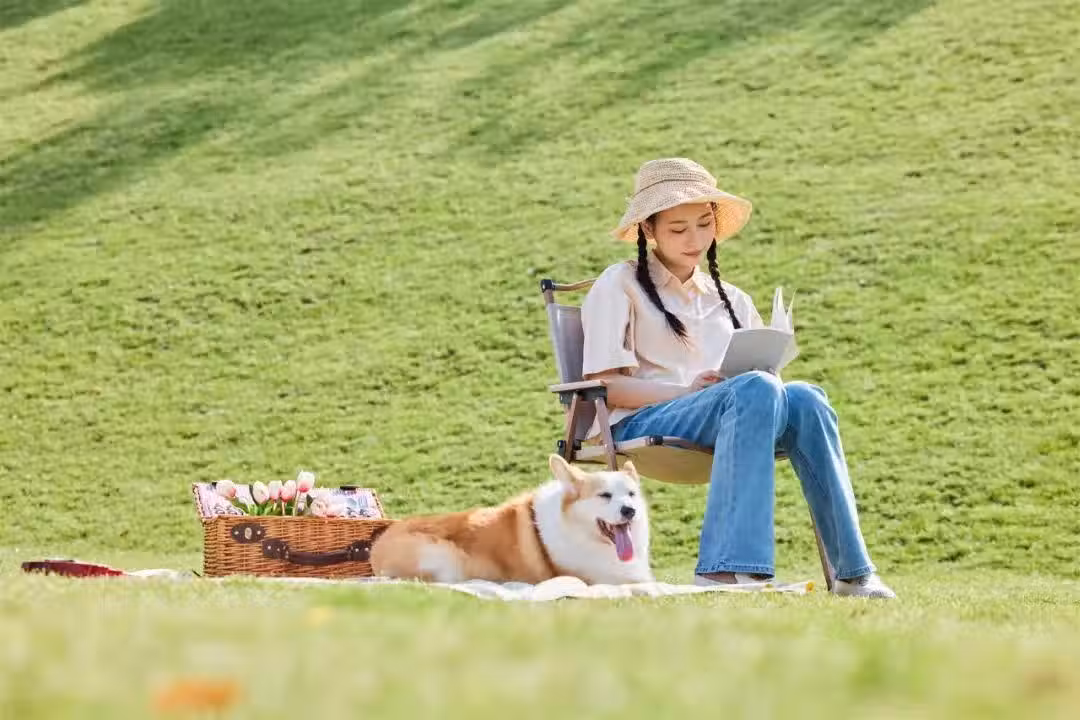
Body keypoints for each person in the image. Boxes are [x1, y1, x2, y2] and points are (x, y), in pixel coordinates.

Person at [579, 157, 895, 599]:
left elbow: (761, 385)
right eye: (678, 229)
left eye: (704, 224)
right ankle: (725, 569)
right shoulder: (620, 283)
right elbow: (606, 386)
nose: (695, 240)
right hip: (639, 420)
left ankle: (853, 572)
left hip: (731, 417)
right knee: (756, 388)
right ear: (649, 229)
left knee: (808, 398)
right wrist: (686, 391)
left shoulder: (732, 299)